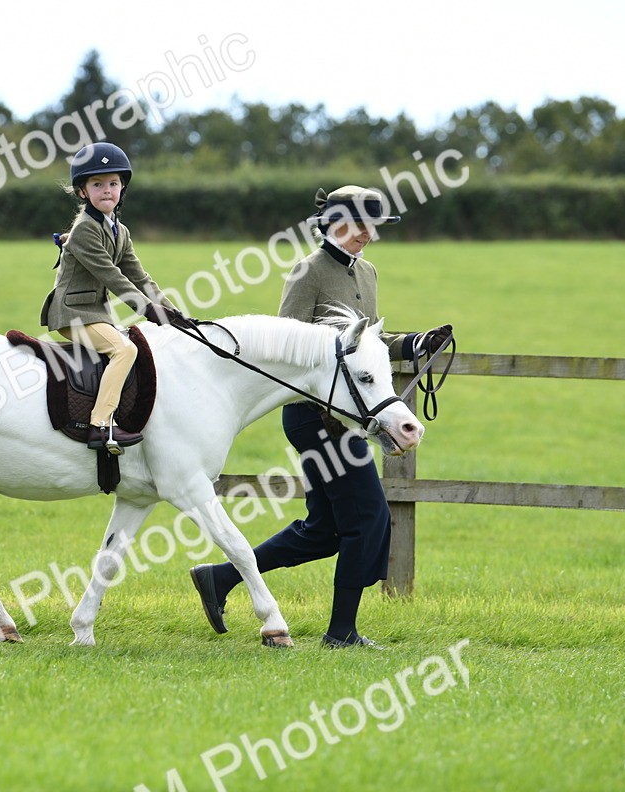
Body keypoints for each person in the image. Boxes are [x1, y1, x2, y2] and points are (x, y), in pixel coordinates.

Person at [188, 185, 452, 648]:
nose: (366, 235)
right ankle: (341, 633)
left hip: (349, 418)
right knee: (369, 516)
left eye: (372, 227)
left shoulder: (367, 273)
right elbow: (282, 345)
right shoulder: (307, 272)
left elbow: (362, 346)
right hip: (314, 418)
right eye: (356, 226)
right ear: (330, 224)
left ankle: (221, 577)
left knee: (325, 530)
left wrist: (410, 344)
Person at [40, 142, 186, 455]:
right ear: (82, 192)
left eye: (113, 184)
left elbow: (141, 277)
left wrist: (174, 314)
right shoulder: (84, 231)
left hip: (96, 314)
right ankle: (100, 423)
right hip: (73, 313)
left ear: (122, 188)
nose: (107, 190)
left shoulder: (121, 231)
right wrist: (148, 310)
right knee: (124, 350)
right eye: (98, 185)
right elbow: (113, 278)